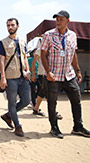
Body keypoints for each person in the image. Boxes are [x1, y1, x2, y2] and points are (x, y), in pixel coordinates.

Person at [40, 10, 90, 139]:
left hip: (69, 75)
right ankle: (54, 128)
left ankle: (77, 127)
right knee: (52, 103)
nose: (58, 22)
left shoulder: (72, 35)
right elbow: (43, 54)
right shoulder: (48, 35)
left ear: (68, 21)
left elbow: (73, 54)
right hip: (54, 76)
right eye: (57, 19)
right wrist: (48, 72)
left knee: (76, 100)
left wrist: (78, 70)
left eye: (61, 19)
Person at [0, 18, 30, 137]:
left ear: (18, 26)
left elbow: (25, 57)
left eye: (12, 25)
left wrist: (28, 71)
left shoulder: (22, 41)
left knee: (26, 100)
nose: (10, 27)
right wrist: (3, 77)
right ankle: (18, 126)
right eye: (8, 25)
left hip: (23, 76)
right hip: (10, 77)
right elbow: (1, 60)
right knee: (12, 103)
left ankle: (8, 115)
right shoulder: (3, 42)